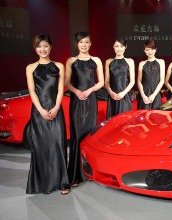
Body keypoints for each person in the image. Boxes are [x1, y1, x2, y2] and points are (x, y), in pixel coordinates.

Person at [26, 33, 70, 195]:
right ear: (35, 48)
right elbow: (32, 91)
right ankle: (44, 184)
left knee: (57, 145)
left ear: (51, 47)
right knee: (41, 147)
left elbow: (60, 89)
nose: (42, 49)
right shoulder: (30, 67)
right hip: (39, 112)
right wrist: (41, 110)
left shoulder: (58, 66)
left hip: (56, 110)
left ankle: (63, 183)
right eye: (39, 46)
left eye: (45, 46)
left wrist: (57, 106)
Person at [65, 31, 104, 187]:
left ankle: (88, 171)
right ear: (77, 44)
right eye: (81, 42)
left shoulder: (96, 60)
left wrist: (89, 91)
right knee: (76, 134)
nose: (84, 45)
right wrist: (76, 92)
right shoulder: (71, 61)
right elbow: (67, 82)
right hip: (76, 100)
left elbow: (101, 82)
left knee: (89, 134)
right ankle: (75, 174)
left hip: (90, 100)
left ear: (90, 44)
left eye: (87, 42)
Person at [105, 37, 135, 119]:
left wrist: (123, 93)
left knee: (125, 121)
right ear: (113, 47)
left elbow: (132, 81)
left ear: (125, 47)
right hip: (112, 96)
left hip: (124, 96)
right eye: (117, 46)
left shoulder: (130, 61)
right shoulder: (109, 61)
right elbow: (106, 81)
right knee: (112, 123)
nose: (119, 49)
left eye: (121, 46)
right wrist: (111, 93)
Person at [137, 39, 165, 109]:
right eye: (147, 50)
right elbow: (139, 81)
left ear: (155, 49)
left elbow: (162, 80)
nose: (150, 52)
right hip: (144, 95)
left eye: (152, 49)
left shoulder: (161, 62)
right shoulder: (142, 64)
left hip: (155, 95)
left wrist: (153, 95)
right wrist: (143, 96)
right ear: (144, 51)